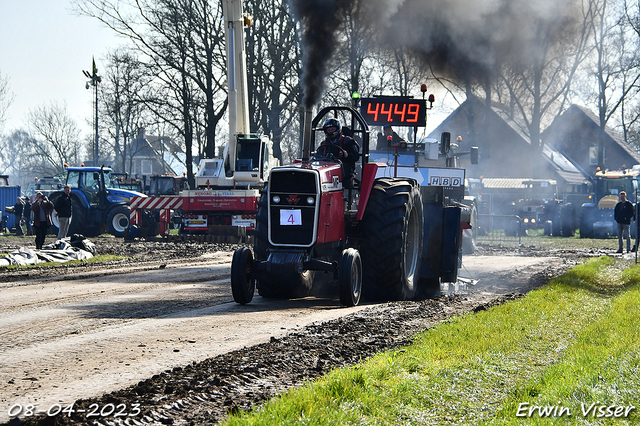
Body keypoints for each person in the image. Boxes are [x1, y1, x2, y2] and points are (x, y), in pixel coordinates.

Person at [315, 118, 360, 187]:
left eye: (332, 129)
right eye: (328, 130)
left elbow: (356, 156)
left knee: (343, 174)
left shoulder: (348, 141)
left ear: (338, 129)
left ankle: (345, 194)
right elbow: (318, 156)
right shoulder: (324, 144)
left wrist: (347, 155)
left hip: (345, 168)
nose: (330, 131)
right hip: (326, 168)